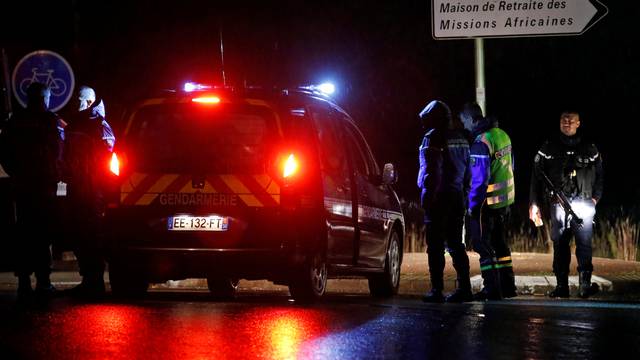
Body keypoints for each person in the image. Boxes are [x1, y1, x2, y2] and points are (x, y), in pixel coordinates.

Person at [529, 109, 603, 298]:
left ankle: (584, 285)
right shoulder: (548, 147)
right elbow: (536, 177)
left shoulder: (590, 147)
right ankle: (562, 286)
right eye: (564, 120)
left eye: (571, 120)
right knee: (560, 244)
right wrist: (534, 203)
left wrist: (595, 198)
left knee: (584, 245)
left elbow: (600, 175)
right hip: (558, 204)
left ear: (579, 123)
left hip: (584, 204)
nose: (567, 123)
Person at [0, 82, 63, 302]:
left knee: (24, 234)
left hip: (23, 186)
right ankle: (43, 281)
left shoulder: (15, 122)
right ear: (44, 98)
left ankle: (24, 281)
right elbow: (59, 152)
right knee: (43, 234)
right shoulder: (49, 122)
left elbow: (5, 154)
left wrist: (17, 172)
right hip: (43, 186)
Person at [460, 103, 517, 300]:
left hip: (487, 206)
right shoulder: (502, 135)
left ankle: (491, 288)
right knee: (500, 245)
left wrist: (472, 207)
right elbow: (511, 166)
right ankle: (508, 286)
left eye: (464, 121)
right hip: (505, 203)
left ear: (471, 119)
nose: (463, 125)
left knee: (482, 245)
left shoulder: (480, 142)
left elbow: (479, 181)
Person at [417, 100, 473, 303]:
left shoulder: (432, 138)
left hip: (439, 198)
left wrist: (428, 196)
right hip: (457, 196)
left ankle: (437, 289)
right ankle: (464, 288)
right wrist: (464, 194)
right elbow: (469, 172)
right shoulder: (462, 138)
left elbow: (432, 171)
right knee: (456, 243)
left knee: (435, 245)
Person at [63, 86, 115, 299]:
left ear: (90, 102)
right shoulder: (76, 124)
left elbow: (108, 154)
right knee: (79, 234)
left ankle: (94, 282)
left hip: (93, 189)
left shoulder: (99, 126)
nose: (76, 102)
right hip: (77, 187)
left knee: (92, 235)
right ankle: (88, 280)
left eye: (79, 99)